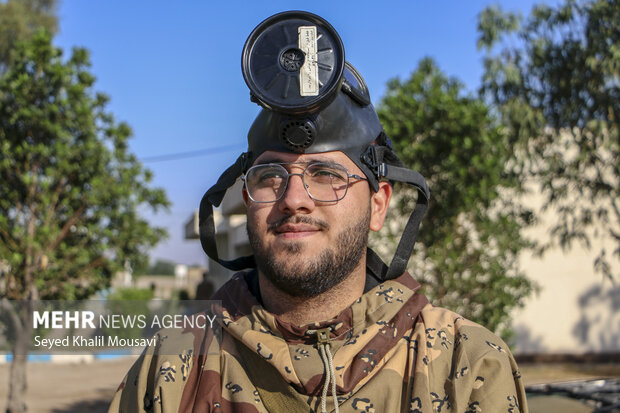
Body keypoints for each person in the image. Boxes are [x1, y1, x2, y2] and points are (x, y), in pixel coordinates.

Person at [108, 11, 528, 413]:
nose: (293, 199)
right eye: (270, 176)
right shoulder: (170, 367)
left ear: (378, 203)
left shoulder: (466, 366)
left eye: (326, 174)